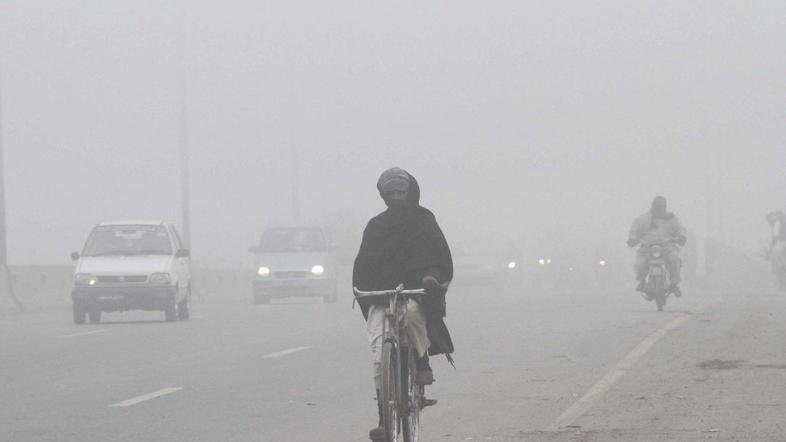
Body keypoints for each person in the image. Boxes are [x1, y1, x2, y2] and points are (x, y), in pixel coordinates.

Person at [353, 167, 454, 441]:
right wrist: (362, 289)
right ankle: (383, 419)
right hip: (379, 295)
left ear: (409, 193)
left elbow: (437, 256)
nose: (396, 197)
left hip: (413, 291)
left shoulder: (423, 220)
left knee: (411, 315)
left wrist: (430, 277)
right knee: (377, 350)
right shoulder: (376, 226)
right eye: (391, 193)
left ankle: (421, 363)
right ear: (383, 196)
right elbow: (364, 265)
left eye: (400, 192)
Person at [627, 196, 687, 297]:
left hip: (668, 247)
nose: (660, 209)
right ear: (653, 207)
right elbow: (634, 231)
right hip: (647, 248)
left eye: (662, 207)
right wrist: (632, 239)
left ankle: (674, 284)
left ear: (665, 207)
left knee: (675, 259)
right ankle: (642, 281)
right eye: (658, 207)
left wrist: (682, 237)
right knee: (640, 263)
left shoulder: (672, 218)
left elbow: (680, 229)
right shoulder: (643, 219)